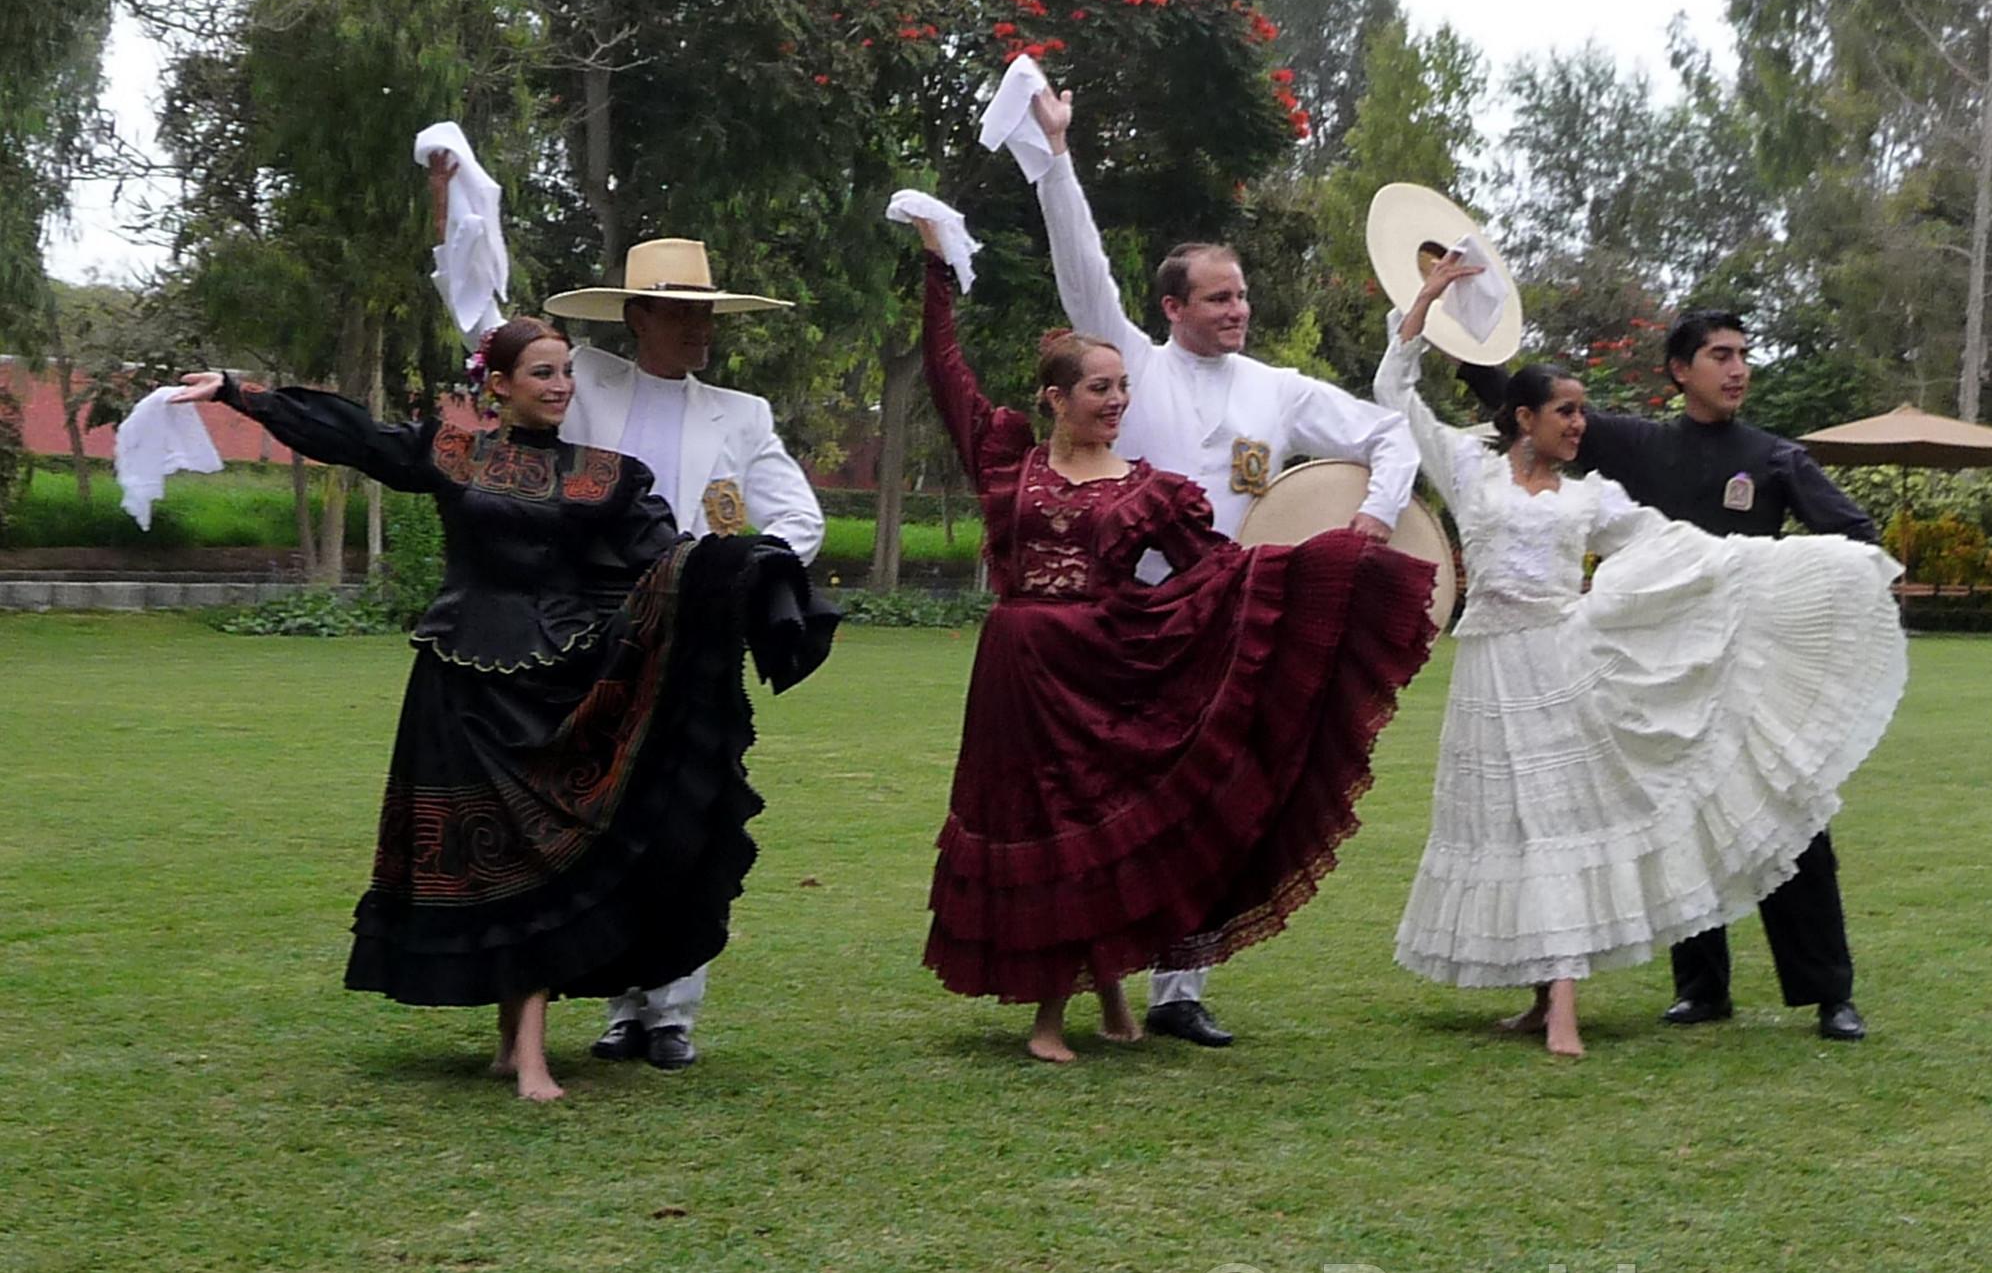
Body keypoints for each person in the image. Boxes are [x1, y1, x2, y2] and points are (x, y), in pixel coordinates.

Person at [171, 318, 835, 1100]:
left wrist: (752, 566)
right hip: (458, 679)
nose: (559, 388)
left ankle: (530, 1049)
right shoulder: (454, 453)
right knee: (486, 856)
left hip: (555, 681)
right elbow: (356, 436)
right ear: (501, 384)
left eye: (565, 375)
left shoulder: (609, 475)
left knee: (540, 856)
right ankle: (520, 1051)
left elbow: (674, 557)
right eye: (543, 374)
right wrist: (241, 394)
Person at [905, 219, 1439, 1063]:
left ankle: (1102, 1001)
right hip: (1014, 666)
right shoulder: (1007, 462)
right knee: (1033, 813)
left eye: (1123, 390)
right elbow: (947, 375)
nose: (1119, 403)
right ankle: (1080, 1007)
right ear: (1057, 398)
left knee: (1099, 818)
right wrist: (937, 274)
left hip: (1105, 659)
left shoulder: (1151, 487)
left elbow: (1224, 571)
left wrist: (1323, 568)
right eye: (1101, 391)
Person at [1379, 258, 1906, 1056]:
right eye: (1721, 354)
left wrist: (1821, 570)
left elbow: (1819, 531)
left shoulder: (1771, 457)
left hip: (1736, 649)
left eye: (1742, 354)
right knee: (1665, 802)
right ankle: (1701, 988)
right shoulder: (1629, 444)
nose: (1738, 367)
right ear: (1680, 370)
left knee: (1785, 819)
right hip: (1623, 656)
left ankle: (1829, 992)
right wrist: (1442, 299)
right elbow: (1505, 393)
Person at [1026, 88, 1423, 1049]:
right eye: (1218, 296)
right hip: (1127, 613)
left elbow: (1384, 433)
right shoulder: (1132, 364)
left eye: (1242, 294)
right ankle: (1099, 970)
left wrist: (1371, 519)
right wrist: (1056, 151)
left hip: (1232, 621)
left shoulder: (1277, 389)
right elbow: (1080, 263)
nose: (1238, 308)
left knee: (1214, 792)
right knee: (1116, 792)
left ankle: (1181, 986)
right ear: (1172, 308)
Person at [426, 153, 827, 1072]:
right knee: (597, 814)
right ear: (638, 316)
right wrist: (453, 211)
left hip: (693, 637)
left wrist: (734, 573)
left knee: (688, 809)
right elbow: (488, 322)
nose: (699, 329)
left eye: (706, 314)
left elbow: (799, 518)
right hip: (588, 637)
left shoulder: (741, 413)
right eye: (682, 313)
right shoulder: (586, 382)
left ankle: (673, 1008)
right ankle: (617, 1003)